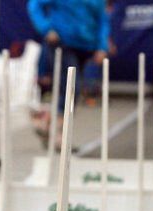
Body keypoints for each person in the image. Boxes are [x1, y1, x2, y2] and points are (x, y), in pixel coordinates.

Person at [27, 0, 109, 149]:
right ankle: (57, 134)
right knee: (70, 89)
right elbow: (35, 5)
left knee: (68, 90)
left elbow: (102, 18)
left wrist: (102, 45)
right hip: (62, 42)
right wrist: (46, 28)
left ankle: (46, 124)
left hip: (86, 46)